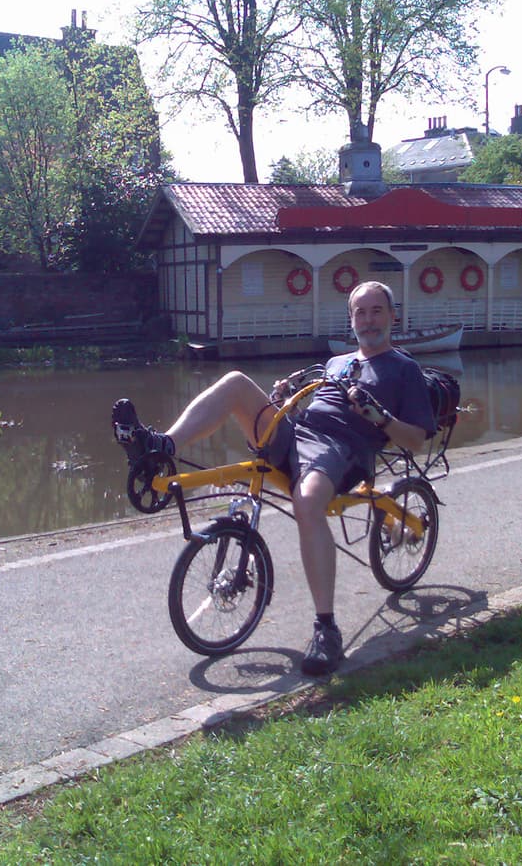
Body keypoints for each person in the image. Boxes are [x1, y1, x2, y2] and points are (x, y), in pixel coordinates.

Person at [112, 281, 437, 676]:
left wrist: (378, 417)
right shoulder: (337, 363)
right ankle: (159, 448)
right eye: (360, 313)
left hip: (345, 449)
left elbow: (417, 439)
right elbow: (310, 408)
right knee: (235, 383)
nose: (368, 320)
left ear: (392, 316)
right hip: (298, 434)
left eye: (376, 311)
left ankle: (326, 629)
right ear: (350, 320)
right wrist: (284, 398)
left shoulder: (404, 369)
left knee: (307, 502)